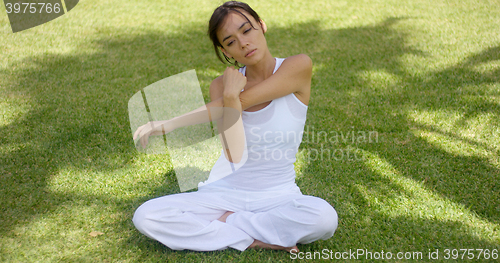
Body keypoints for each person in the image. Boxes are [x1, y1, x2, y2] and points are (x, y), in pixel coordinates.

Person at [132, 1, 338, 253]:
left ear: (261, 26)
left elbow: (245, 99)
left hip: (278, 194)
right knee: (146, 216)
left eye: (247, 30)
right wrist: (227, 95)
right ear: (226, 51)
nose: (243, 43)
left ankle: (229, 223)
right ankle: (254, 239)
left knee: (324, 219)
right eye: (230, 42)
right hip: (224, 193)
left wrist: (174, 122)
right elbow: (234, 154)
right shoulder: (220, 86)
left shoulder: (296, 67)